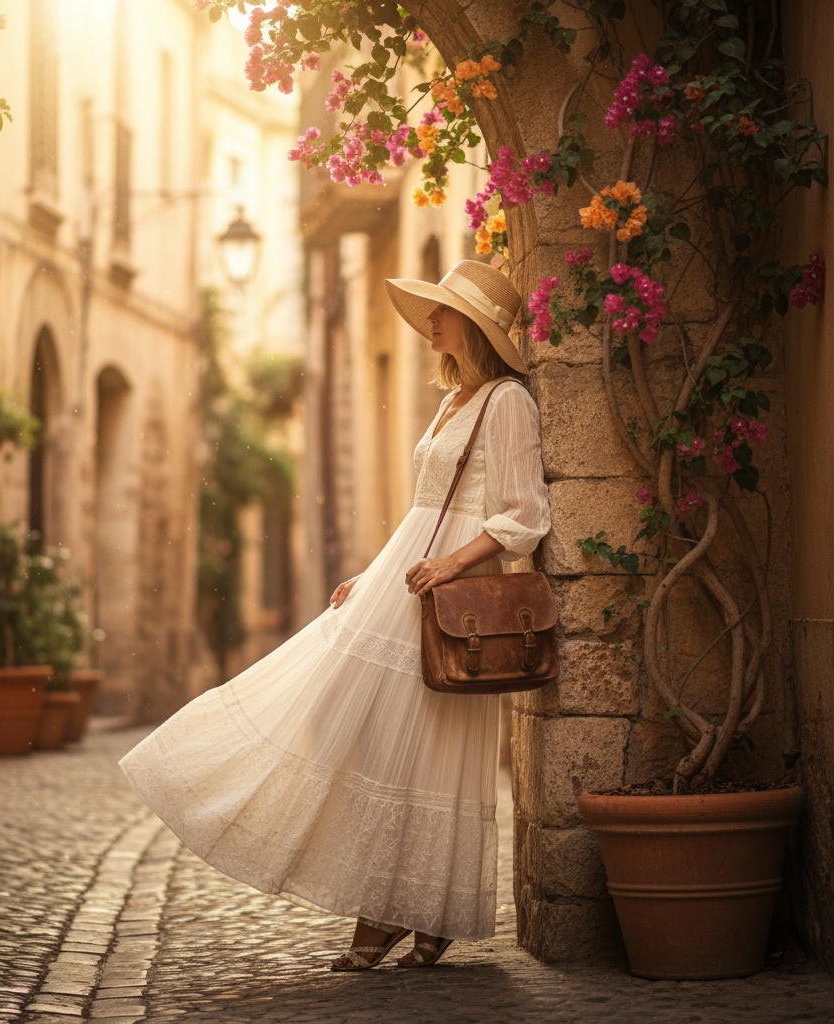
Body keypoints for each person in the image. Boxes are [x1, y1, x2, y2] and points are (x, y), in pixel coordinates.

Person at [120, 259, 551, 970]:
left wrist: (449, 564)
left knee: (427, 752)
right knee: (370, 739)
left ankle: (412, 912)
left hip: (451, 595)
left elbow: (523, 515)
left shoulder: (505, 402)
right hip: (405, 581)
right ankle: (395, 906)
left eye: (442, 311)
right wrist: (375, 573)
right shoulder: (451, 402)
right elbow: (425, 509)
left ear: (471, 327)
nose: (429, 321)